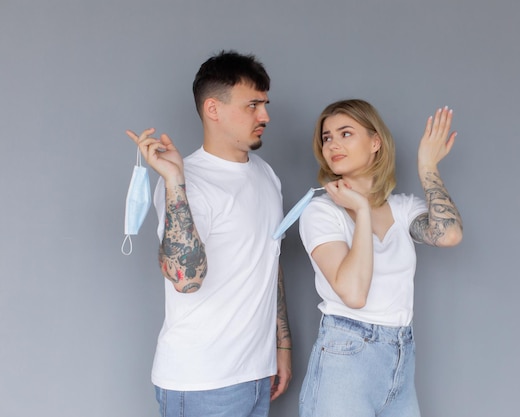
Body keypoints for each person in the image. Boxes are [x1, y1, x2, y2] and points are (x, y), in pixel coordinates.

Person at [126, 50, 292, 417]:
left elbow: (269, 262)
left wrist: (281, 349)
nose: (264, 116)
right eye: (252, 105)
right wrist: (172, 182)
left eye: (264, 104)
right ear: (213, 109)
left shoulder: (267, 175)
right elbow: (187, 280)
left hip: (255, 374)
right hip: (202, 382)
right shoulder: (188, 182)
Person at [298, 99, 463, 417]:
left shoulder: (402, 208)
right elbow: (354, 293)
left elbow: (449, 234)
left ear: (376, 142)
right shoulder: (320, 213)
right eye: (327, 137)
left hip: (400, 354)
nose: (333, 144)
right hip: (345, 356)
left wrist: (428, 167)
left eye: (345, 133)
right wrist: (360, 209)